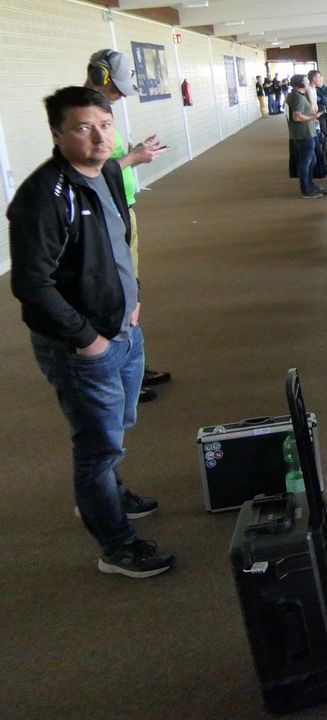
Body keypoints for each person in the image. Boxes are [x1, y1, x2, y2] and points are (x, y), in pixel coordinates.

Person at [10, 86, 173, 578]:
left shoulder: (104, 172)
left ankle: (107, 494)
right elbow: (32, 286)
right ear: (57, 134)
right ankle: (115, 544)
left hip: (123, 327)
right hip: (84, 346)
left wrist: (134, 297)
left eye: (105, 124)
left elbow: (118, 248)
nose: (99, 136)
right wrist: (88, 339)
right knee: (97, 446)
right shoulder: (42, 198)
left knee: (116, 427)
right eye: (83, 127)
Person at [85, 49, 172, 402]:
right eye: (117, 87)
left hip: (122, 208)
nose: (120, 95)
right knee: (122, 293)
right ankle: (125, 374)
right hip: (109, 213)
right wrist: (133, 158)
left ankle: (133, 364)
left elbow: (108, 162)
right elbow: (90, 171)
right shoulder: (85, 116)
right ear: (99, 75)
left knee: (131, 289)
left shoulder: (100, 112)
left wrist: (133, 153)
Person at [285, 74, 324, 199]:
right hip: (304, 134)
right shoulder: (297, 98)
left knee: (312, 160)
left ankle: (310, 184)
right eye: (307, 81)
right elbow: (297, 116)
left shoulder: (295, 95)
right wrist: (314, 117)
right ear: (301, 84)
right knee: (306, 161)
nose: (309, 82)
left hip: (304, 132)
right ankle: (305, 189)